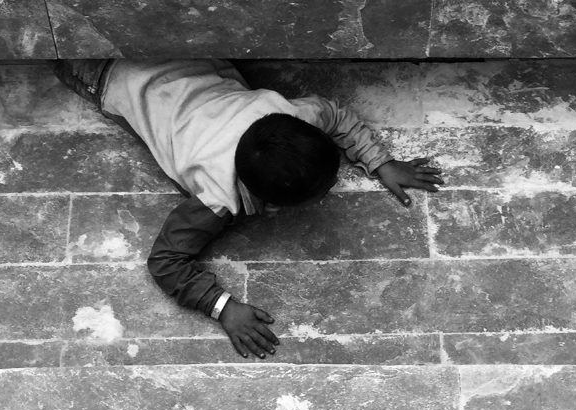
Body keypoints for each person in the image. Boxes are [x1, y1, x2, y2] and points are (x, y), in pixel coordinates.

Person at [54, 59, 443, 359]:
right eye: (322, 194)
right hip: (111, 79)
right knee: (57, 56)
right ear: (269, 206)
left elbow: (336, 115)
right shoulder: (215, 196)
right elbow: (167, 260)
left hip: (180, 57)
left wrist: (379, 161)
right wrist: (223, 307)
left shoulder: (292, 117)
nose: (331, 191)